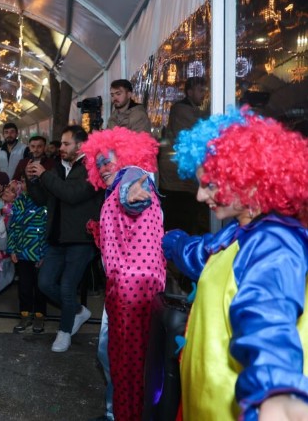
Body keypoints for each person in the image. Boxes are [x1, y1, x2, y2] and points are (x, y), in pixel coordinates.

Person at [163, 111, 308, 420]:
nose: (201, 196)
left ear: (250, 180)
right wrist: (169, 240)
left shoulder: (274, 241)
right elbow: (200, 254)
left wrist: (276, 391)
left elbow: (266, 315)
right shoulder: (240, 231)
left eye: (210, 185)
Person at [81, 127, 166, 421]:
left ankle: (124, 415)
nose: (103, 167)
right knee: (122, 361)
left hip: (134, 292)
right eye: (98, 162)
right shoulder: (118, 184)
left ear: (127, 155)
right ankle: (119, 413)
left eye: (109, 159)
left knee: (129, 366)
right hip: (127, 288)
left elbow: (132, 198)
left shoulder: (130, 177)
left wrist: (133, 196)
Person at [25, 125, 103, 353]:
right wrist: (32, 180)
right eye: (60, 143)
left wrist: (45, 175)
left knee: (68, 286)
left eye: (66, 144)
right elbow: (42, 200)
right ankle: (78, 311)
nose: (61, 148)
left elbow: (71, 194)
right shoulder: (59, 168)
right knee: (45, 283)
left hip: (81, 238)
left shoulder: (92, 167)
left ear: (80, 146)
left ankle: (65, 331)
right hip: (58, 237)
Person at [159, 76, 210, 233]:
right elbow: (194, 133)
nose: (204, 94)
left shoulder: (188, 110)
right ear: (189, 92)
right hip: (177, 177)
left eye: (205, 91)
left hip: (178, 176)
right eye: (200, 90)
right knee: (181, 221)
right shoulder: (183, 111)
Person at [7, 178, 49, 334]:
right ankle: (25, 315)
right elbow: (12, 227)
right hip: (22, 252)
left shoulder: (45, 202)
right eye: (24, 182)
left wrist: (44, 254)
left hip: (39, 252)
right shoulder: (19, 202)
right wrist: (12, 249)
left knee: (40, 286)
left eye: (32, 182)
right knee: (24, 286)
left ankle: (39, 316)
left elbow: (48, 231)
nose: (26, 185)